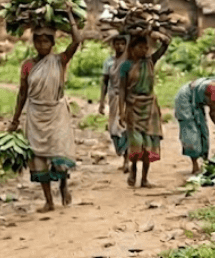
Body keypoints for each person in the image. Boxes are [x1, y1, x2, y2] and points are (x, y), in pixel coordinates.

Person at [8, 14, 82, 212]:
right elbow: (22, 93)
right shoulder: (27, 66)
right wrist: (15, 120)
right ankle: (49, 200)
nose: (42, 45)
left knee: (58, 155)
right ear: (34, 43)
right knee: (38, 158)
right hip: (35, 115)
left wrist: (70, 17)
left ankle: (63, 184)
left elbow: (77, 41)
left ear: (52, 43)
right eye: (38, 41)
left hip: (56, 114)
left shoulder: (59, 60)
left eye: (46, 41)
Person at [118, 33, 170, 187]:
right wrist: (121, 111)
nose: (144, 50)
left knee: (149, 143)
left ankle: (145, 179)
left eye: (146, 47)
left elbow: (166, 44)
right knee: (136, 143)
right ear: (132, 48)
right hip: (133, 106)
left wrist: (158, 35)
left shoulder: (150, 61)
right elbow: (121, 90)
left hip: (150, 106)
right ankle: (133, 170)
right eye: (140, 47)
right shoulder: (126, 66)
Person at [173, 70, 215, 175]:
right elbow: (213, 114)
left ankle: (205, 162)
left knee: (202, 129)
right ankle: (195, 165)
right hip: (185, 100)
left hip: (196, 102)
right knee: (191, 130)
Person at [99, 33, 129, 172]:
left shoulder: (128, 61)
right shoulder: (109, 62)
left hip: (127, 98)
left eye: (122, 43)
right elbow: (105, 82)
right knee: (113, 129)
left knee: (125, 128)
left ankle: (127, 160)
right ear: (113, 45)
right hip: (113, 98)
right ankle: (121, 153)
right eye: (117, 44)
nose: (120, 46)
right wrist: (101, 102)